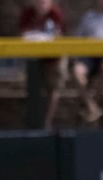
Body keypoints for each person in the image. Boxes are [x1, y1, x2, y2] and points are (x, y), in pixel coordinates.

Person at [19, 0, 66, 129]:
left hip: (53, 57)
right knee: (33, 87)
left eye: (44, 1)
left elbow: (58, 36)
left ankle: (47, 123)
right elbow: (22, 35)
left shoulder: (55, 13)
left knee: (54, 88)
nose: (41, 3)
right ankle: (33, 123)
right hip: (33, 58)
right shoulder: (28, 13)